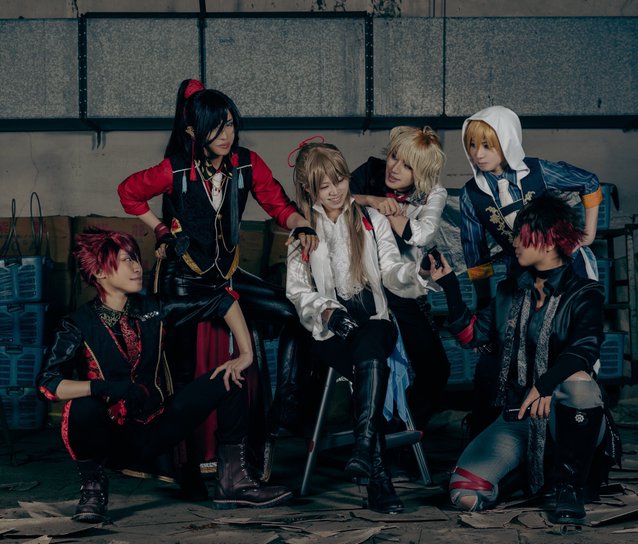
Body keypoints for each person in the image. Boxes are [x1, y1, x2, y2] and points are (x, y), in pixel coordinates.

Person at [117, 79, 319, 467]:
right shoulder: (174, 169)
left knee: (295, 312)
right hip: (184, 280)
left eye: (229, 124)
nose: (226, 134)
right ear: (193, 131)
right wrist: (160, 228)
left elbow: (278, 205)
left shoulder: (247, 163)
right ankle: (187, 460)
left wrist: (302, 225)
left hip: (226, 275)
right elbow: (128, 192)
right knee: (182, 371)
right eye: (215, 126)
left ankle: (287, 406)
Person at [36, 229, 292, 523]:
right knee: (81, 405)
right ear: (99, 272)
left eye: (135, 258)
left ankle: (233, 481)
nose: (137, 267)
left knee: (230, 377)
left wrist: (245, 355)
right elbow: (48, 383)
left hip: (159, 427)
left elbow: (223, 301)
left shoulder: (154, 308)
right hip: (112, 437)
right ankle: (93, 489)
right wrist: (103, 387)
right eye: (126, 260)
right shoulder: (76, 324)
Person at [426, 193, 619, 524]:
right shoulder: (509, 291)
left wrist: (545, 385)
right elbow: (472, 337)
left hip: (567, 416)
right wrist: (449, 286)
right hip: (517, 417)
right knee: (466, 495)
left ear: (548, 241)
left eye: (522, 235)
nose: (514, 242)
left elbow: (583, 351)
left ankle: (569, 489)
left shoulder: (584, 293)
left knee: (579, 383)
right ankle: (528, 474)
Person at [286, 142, 427, 513]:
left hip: (376, 323)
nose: (335, 191)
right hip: (333, 333)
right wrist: (326, 311)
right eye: (324, 186)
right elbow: (297, 291)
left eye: (340, 180)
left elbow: (392, 272)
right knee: (369, 359)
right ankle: (376, 473)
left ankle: (365, 452)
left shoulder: (371, 219)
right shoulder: (304, 230)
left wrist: (418, 273)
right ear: (310, 190)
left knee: (372, 343)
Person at [459, 105, 603, 438]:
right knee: (515, 353)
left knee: (574, 345)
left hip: (566, 271)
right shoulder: (470, 195)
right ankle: (514, 428)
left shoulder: (538, 171)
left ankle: (582, 426)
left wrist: (588, 235)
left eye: (487, 145)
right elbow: (476, 259)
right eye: (472, 145)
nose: (478, 154)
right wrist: (484, 309)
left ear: (507, 141)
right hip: (520, 282)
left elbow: (589, 182)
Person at [350, 126, 450, 430]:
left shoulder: (433, 193)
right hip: (360, 287)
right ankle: (373, 432)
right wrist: (371, 200)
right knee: (372, 364)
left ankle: (406, 432)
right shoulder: (369, 173)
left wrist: (394, 213)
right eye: (394, 157)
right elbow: (329, 202)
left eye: (408, 166)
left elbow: (423, 233)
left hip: (403, 287)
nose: (394, 168)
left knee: (435, 369)